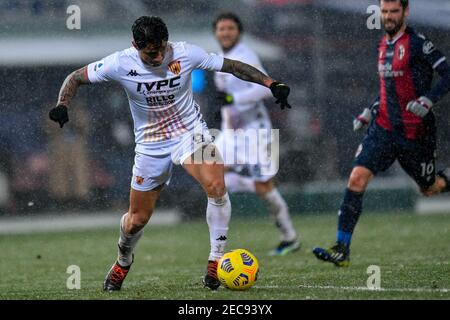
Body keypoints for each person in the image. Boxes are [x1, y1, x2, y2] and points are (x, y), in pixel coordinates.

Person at [49, 16, 292, 290]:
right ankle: (123, 261)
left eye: (161, 49)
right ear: (135, 45)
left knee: (216, 185)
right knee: (136, 221)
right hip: (150, 146)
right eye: (150, 53)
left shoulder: (186, 53)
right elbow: (75, 78)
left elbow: (233, 67)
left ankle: (216, 262)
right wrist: (62, 104)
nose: (157, 57)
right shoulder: (119, 63)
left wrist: (272, 84)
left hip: (190, 134)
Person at [313, 0, 450, 267]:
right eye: (384, 12)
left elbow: (448, 75)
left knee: (430, 188)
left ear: (405, 12)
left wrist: (428, 100)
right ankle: (342, 249)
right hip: (384, 129)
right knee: (357, 178)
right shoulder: (382, 46)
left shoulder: (420, 44)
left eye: (393, 11)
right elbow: (389, 90)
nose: (388, 17)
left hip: (415, 133)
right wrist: (370, 110)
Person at [212, 12, 300, 255]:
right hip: (231, 132)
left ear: (238, 32)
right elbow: (225, 104)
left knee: (264, 187)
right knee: (208, 169)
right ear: (216, 33)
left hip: (256, 132)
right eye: (221, 29)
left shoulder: (246, 56)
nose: (226, 32)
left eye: (230, 28)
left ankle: (289, 237)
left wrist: (234, 97)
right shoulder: (220, 60)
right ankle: (218, 243)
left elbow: (265, 90)